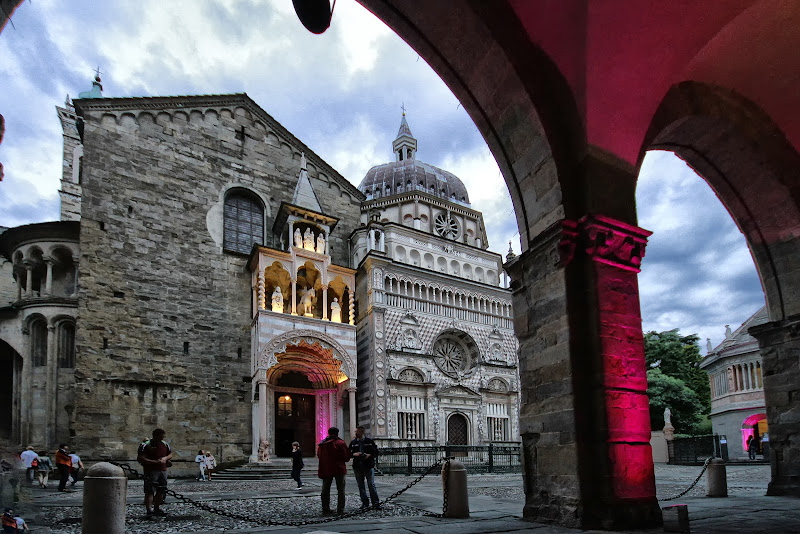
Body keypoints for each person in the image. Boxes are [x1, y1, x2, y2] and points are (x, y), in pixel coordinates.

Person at [137, 428, 173, 518]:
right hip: (151, 470)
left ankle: (157, 508)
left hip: (163, 470)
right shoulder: (146, 445)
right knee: (150, 491)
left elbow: (170, 454)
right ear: (155, 436)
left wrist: (165, 458)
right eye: (161, 436)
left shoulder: (165, 444)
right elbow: (141, 457)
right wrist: (154, 462)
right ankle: (149, 510)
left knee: (161, 490)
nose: (162, 438)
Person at [317, 427, 351, 515]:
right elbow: (346, 457)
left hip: (326, 469)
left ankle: (325, 508)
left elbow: (319, 455)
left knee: (325, 489)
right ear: (337, 433)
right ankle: (340, 509)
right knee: (341, 490)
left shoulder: (322, 444)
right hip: (339, 469)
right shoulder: (340, 443)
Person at [349, 425, 381, 510]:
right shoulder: (353, 443)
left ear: (362, 432)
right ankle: (365, 503)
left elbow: (376, 452)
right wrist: (354, 454)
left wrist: (369, 455)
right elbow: (348, 453)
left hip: (368, 465)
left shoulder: (369, 441)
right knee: (361, 486)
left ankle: (375, 503)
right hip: (357, 466)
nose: (355, 433)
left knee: (371, 484)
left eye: (357, 432)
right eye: (355, 432)